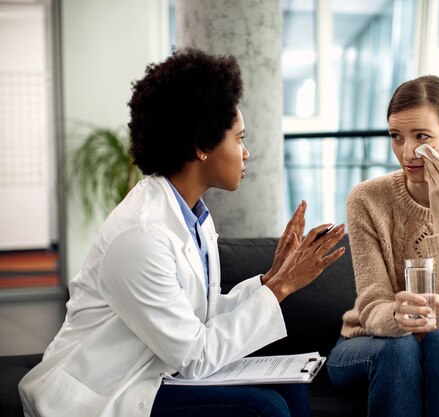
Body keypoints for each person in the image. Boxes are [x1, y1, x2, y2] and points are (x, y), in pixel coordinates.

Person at [19, 48, 345, 417]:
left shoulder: (192, 215)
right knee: (264, 408)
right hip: (107, 392)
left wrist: (271, 279)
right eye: (239, 138)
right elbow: (195, 357)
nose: (247, 152)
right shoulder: (139, 235)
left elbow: (198, 318)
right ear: (201, 146)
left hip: (157, 371)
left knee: (291, 387)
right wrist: (281, 288)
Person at [326, 75, 439, 417]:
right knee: (399, 347)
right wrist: (396, 316)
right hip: (368, 341)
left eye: (421, 136)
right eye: (396, 137)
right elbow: (371, 301)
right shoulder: (367, 199)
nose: (407, 153)